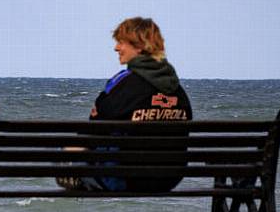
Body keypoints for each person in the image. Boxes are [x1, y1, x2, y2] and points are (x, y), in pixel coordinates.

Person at [58, 17, 193, 192]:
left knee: (65, 151)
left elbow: (94, 126)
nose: (116, 48)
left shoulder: (123, 84)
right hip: (169, 180)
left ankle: (81, 184)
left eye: (121, 42)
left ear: (139, 46)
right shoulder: (178, 90)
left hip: (125, 180)